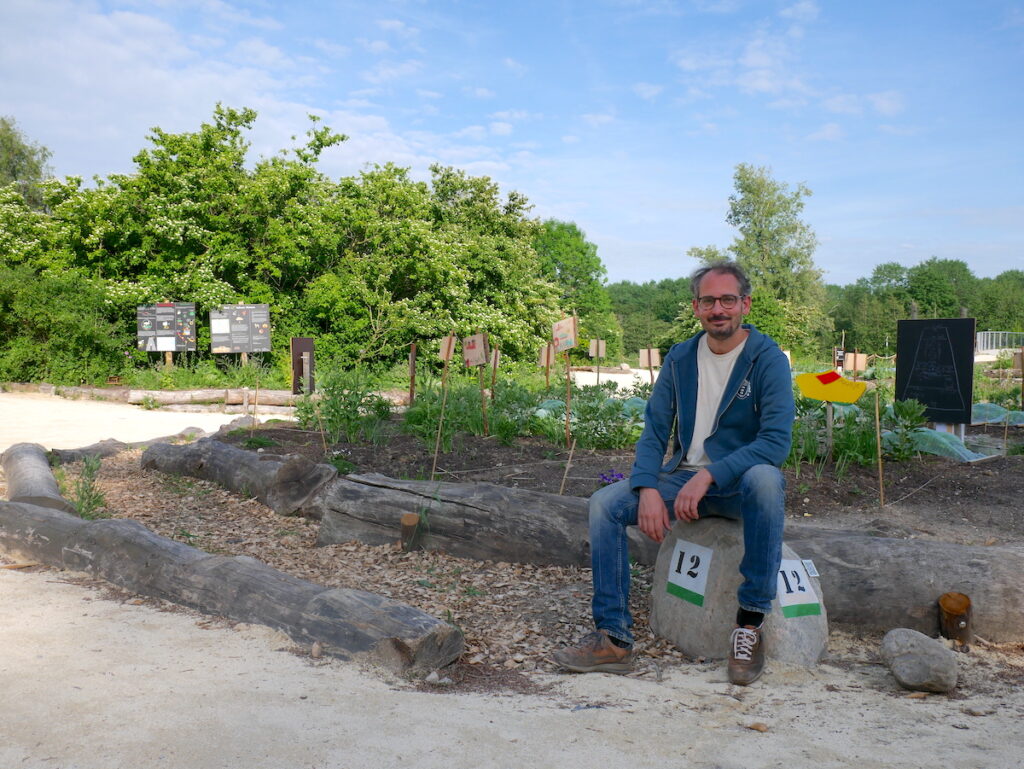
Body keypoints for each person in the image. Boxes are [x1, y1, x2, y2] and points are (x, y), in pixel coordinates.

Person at [550, 260, 794, 685]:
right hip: (681, 479)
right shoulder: (681, 358)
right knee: (606, 504)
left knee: (766, 480)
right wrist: (646, 487)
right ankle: (613, 638)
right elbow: (654, 431)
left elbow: (775, 442)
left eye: (728, 300)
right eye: (708, 301)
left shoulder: (767, 359)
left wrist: (710, 474)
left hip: (738, 485)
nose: (718, 309)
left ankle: (749, 624)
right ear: (696, 307)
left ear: (745, 304)